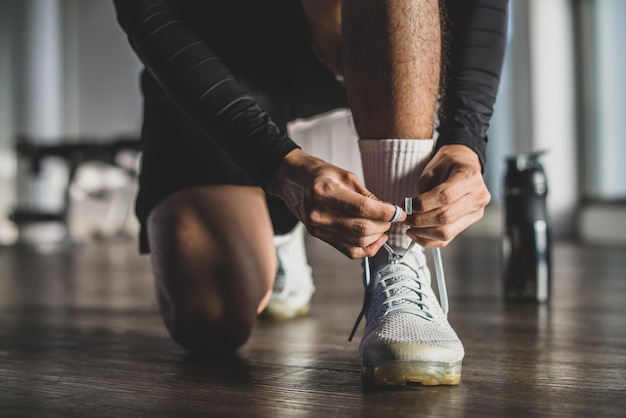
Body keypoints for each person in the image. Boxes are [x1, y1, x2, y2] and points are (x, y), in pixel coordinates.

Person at [113, 0, 508, 385]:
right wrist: (274, 165)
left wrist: (465, 138)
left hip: (385, 60)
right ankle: (277, 218)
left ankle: (397, 260)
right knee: (210, 319)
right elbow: (147, 9)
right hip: (225, 62)